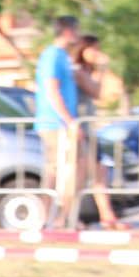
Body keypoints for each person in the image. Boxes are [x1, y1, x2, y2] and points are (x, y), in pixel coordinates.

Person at [73, 35, 129, 230]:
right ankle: (70, 217)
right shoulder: (77, 71)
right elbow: (96, 92)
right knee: (79, 177)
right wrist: (103, 70)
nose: (97, 54)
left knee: (100, 172)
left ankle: (107, 216)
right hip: (80, 128)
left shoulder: (86, 71)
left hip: (88, 128)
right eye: (93, 49)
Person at [34, 15, 82, 228]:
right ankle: (51, 218)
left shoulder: (62, 56)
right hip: (55, 124)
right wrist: (69, 121)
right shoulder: (52, 55)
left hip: (60, 124)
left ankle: (57, 217)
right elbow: (52, 90)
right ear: (68, 31)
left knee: (61, 171)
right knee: (59, 171)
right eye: (76, 30)